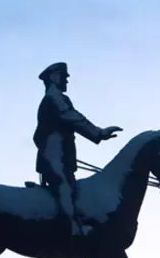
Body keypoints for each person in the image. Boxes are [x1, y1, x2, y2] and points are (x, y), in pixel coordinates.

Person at [33, 62, 121, 236]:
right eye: (63, 76)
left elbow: (37, 136)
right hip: (55, 158)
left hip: (57, 157)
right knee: (65, 188)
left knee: (71, 189)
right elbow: (73, 118)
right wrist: (99, 133)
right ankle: (72, 229)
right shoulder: (55, 98)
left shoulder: (53, 99)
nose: (67, 80)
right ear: (53, 77)